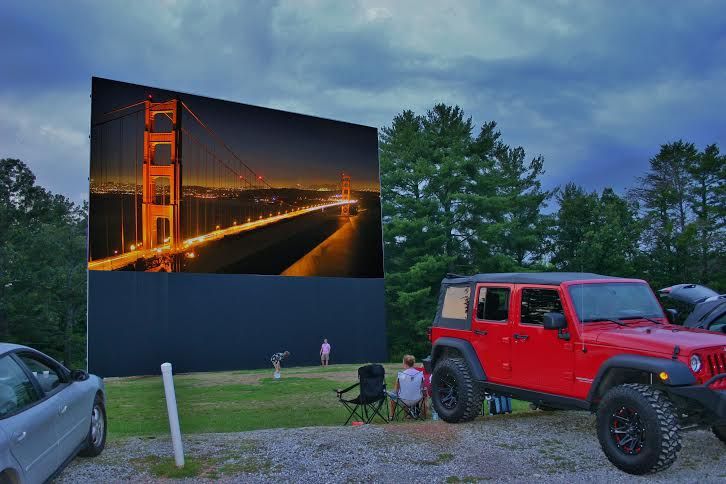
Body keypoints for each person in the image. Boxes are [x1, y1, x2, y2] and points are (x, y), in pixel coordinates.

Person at [388, 354, 426, 420]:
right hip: (417, 399)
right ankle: (408, 415)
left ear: (405, 363)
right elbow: (422, 388)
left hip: (404, 399)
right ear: (413, 363)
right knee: (408, 393)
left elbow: (396, 390)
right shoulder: (420, 374)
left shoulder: (401, 375)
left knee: (393, 396)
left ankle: (391, 416)